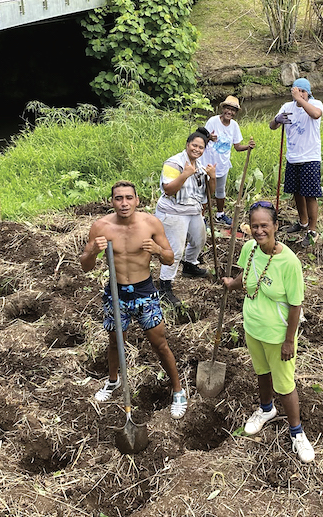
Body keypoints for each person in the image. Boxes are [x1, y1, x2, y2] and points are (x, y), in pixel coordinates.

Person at [80, 181, 188, 419]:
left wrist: (158, 251)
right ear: (112, 202)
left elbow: (170, 259)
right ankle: (112, 381)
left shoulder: (150, 223)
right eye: (118, 198)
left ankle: (178, 389)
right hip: (115, 293)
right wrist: (93, 252)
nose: (124, 203)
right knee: (115, 342)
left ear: (137, 200)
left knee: (159, 343)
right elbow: (85, 266)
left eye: (129, 198)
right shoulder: (101, 226)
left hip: (144, 291)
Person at [222, 200, 315, 463]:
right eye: (254, 226)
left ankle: (297, 432)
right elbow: (247, 276)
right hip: (253, 326)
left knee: (284, 385)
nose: (259, 230)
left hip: (278, 334)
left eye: (264, 225)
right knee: (261, 373)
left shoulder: (289, 262)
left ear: (276, 226)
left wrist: (289, 341)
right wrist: (232, 284)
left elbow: (296, 305)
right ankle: (265, 410)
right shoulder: (250, 248)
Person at [156, 127, 217, 306]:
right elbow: (168, 189)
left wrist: (212, 178)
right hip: (173, 211)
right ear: (187, 144)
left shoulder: (199, 166)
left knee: (199, 239)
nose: (197, 149)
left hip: (192, 210)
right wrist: (184, 175)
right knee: (174, 251)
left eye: (201, 147)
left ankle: (189, 266)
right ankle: (165, 286)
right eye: (194, 145)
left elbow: (209, 193)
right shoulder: (174, 163)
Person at [269, 78, 323, 248]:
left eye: (303, 91)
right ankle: (303, 222)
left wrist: (300, 100)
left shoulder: (316, 103)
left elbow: (315, 114)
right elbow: (272, 126)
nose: (300, 94)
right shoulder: (287, 107)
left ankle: (312, 231)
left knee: (310, 194)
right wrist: (278, 119)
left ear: (308, 93)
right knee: (296, 192)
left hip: (310, 157)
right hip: (292, 157)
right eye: (297, 91)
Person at [201, 95, 256, 226]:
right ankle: (201, 217)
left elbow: (237, 147)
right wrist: (209, 137)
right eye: (227, 108)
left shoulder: (234, 126)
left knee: (220, 191)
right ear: (223, 109)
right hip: (207, 164)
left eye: (232, 110)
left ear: (235, 113)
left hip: (222, 165)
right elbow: (200, 139)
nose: (229, 112)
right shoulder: (213, 121)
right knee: (205, 191)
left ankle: (220, 214)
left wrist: (248, 147)